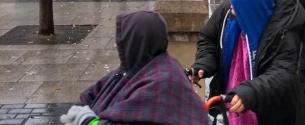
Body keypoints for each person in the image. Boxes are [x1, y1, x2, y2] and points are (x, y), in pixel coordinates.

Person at [190, 0, 305, 125]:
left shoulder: (285, 31)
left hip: (269, 111)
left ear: (252, 6)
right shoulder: (228, 12)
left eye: (235, 1)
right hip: (230, 99)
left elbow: (282, 73)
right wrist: (204, 62)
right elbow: (208, 37)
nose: (229, 1)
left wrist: (251, 92)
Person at [60, 10, 207, 125]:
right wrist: (79, 108)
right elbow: (94, 92)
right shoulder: (138, 66)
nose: (115, 45)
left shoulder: (163, 81)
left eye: (121, 40)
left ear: (137, 42)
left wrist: (87, 120)